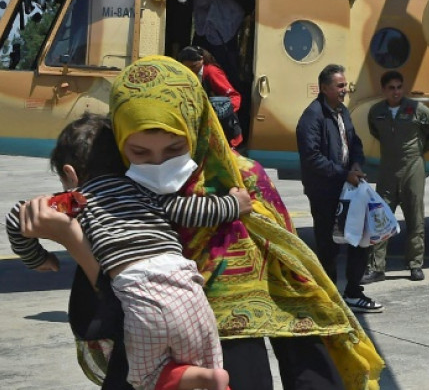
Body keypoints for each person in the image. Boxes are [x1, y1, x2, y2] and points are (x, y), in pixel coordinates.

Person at [19, 56, 384, 390]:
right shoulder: (118, 195)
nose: (159, 164)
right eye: (140, 152)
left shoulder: (244, 185)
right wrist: (71, 237)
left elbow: (293, 287)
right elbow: (98, 318)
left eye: (175, 149)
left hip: (239, 361)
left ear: (196, 126)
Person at [7, 112, 252, 390]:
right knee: (202, 366)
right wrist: (234, 204)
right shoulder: (146, 190)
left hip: (141, 299)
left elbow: (18, 216)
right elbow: (193, 211)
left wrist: (38, 257)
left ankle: (205, 378)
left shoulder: (77, 199)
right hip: (189, 289)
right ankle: (212, 377)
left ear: (69, 174)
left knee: (144, 380)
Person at [296, 64, 382, 313]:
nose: (345, 90)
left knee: (360, 238)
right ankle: (331, 298)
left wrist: (356, 163)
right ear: (324, 88)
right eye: (340, 86)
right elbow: (312, 158)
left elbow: (354, 141)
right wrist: (344, 174)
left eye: (345, 85)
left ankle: (353, 292)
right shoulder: (312, 117)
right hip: (325, 191)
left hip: (348, 187)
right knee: (328, 246)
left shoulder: (342, 111)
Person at [362, 70, 429, 283]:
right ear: (384, 90)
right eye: (391, 88)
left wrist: (420, 148)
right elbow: (375, 131)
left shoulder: (417, 109)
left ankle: (415, 265)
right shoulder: (376, 112)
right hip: (388, 170)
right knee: (380, 219)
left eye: (399, 87)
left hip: (412, 169)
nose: (396, 92)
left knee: (415, 218)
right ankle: (377, 268)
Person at [179, 45, 244, 148]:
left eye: (193, 67)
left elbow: (234, 97)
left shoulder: (212, 72)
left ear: (202, 60)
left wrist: (222, 111)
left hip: (223, 131)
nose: (190, 71)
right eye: (187, 68)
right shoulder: (184, 74)